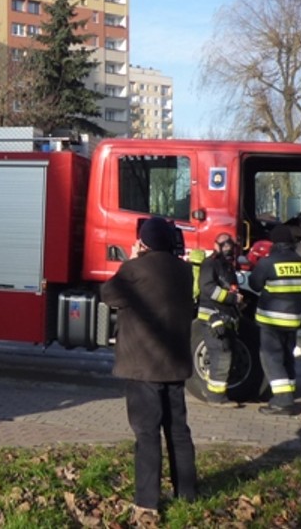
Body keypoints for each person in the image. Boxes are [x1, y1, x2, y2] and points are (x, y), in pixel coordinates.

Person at [100, 216, 197, 525]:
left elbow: (108, 295)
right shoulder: (184, 270)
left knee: (147, 434)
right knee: (178, 432)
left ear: (144, 242)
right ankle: (187, 494)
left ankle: (147, 502)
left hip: (143, 368)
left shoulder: (135, 269)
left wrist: (131, 259)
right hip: (175, 365)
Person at [249, 224, 301, 417]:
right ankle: (289, 395)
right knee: (287, 357)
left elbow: (254, 285)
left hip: (271, 320)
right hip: (292, 320)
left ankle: (283, 401)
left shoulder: (268, 262)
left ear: (273, 242)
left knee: (272, 358)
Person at [197, 233, 243, 407]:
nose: (228, 249)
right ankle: (216, 398)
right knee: (222, 354)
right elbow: (208, 288)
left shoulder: (227, 265)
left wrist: (237, 300)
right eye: (224, 246)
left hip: (224, 315)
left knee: (223, 353)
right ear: (215, 245)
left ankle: (211, 391)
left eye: (230, 246)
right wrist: (232, 299)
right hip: (212, 316)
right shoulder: (210, 264)